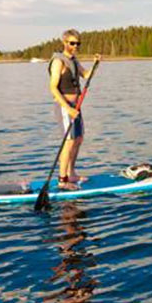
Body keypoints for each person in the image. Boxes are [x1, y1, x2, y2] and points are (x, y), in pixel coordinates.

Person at [48, 29, 100, 190]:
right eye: (72, 43)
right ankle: (62, 180)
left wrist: (96, 64)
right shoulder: (59, 62)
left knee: (78, 139)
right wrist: (68, 109)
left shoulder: (74, 60)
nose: (75, 46)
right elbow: (53, 88)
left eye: (77, 43)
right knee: (69, 142)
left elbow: (85, 75)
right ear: (64, 43)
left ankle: (71, 173)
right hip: (65, 107)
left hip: (76, 106)